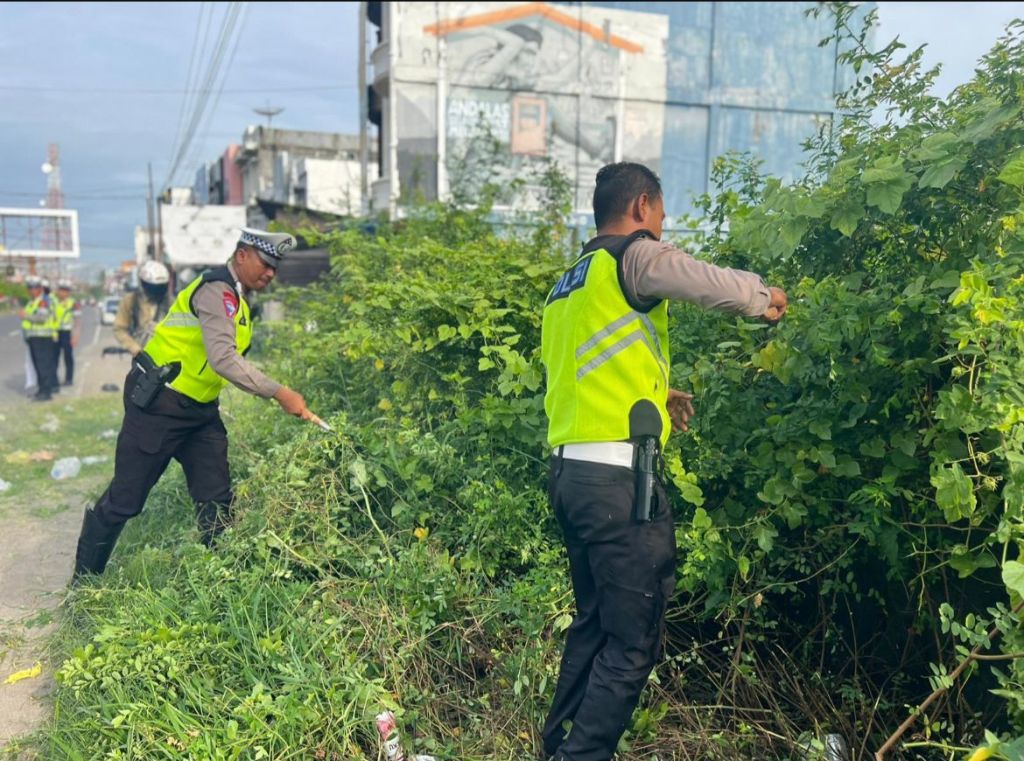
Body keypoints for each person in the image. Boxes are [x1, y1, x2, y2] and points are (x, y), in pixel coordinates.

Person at [539, 162, 788, 761]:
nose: (663, 225)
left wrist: (656, 393)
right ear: (642, 206)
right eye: (661, 212)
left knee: (595, 624)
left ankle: (556, 748)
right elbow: (697, 278)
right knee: (633, 644)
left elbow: (588, 371)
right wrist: (763, 298)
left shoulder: (570, 281)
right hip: (619, 483)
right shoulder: (633, 254)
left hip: (572, 474)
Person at [73, 230, 316, 577]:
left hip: (200, 412)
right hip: (160, 403)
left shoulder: (241, 301)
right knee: (126, 498)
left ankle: (220, 577)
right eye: (265, 264)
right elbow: (223, 359)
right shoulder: (216, 290)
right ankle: (84, 580)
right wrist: (280, 392)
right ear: (242, 255)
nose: (270, 273)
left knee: (216, 495)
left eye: (275, 268)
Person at [113, 260, 173, 356]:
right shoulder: (131, 301)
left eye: (161, 287)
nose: (158, 291)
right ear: (144, 284)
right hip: (141, 356)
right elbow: (119, 328)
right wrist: (135, 348)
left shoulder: (171, 303)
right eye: (154, 287)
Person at [19, 276, 60, 402]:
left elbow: (42, 318)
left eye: (34, 287)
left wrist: (26, 316)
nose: (32, 290)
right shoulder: (32, 302)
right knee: (37, 366)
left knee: (44, 366)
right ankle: (42, 390)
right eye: (30, 288)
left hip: (43, 338)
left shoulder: (43, 301)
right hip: (34, 338)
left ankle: (46, 392)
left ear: (40, 288)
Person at [55, 279, 80, 386]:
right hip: (55, 333)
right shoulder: (54, 302)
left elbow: (77, 321)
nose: (63, 292)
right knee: (54, 357)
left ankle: (69, 379)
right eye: (61, 290)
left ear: (69, 292)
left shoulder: (73, 303)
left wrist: (75, 336)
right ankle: (54, 379)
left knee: (68, 357)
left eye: (65, 290)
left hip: (67, 333)